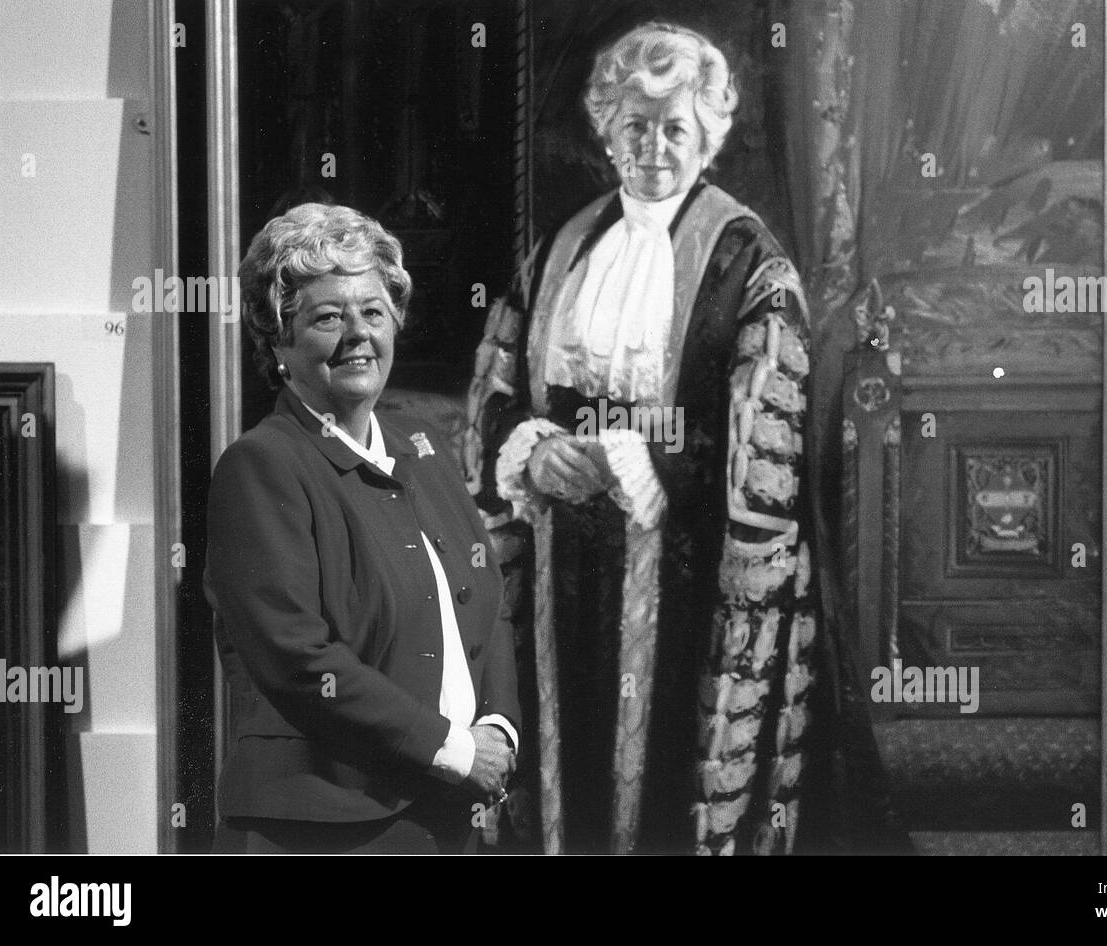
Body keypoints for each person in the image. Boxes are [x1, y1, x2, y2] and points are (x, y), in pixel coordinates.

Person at [463, 22, 816, 855]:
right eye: (636, 125)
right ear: (607, 131)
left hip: (684, 569)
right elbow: (498, 389)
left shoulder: (749, 264)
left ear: (708, 136)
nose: (655, 146)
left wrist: (637, 462)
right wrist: (534, 450)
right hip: (562, 566)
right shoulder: (561, 248)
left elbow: (766, 445)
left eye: (675, 127)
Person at [206, 203, 520, 853]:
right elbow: (300, 660)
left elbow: (489, 603)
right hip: (317, 831)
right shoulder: (261, 466)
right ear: (278, 342)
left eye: (373, 312)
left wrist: (499, 727)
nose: (357, 334)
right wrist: (456, 750)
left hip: (441, 821)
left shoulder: (424, 450)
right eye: (327, 316)